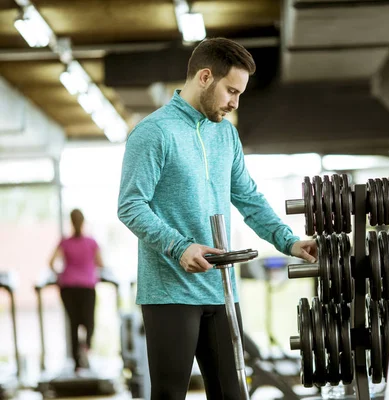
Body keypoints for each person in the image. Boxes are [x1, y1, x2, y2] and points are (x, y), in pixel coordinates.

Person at [117, 37, 317, 400]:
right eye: (231, 91)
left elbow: (248, 198)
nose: (235, 102)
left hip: (222, 289)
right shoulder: (154, 133)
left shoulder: (226, 134)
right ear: (205, 77)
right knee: (169, 394)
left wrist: (289, 240)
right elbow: (131, 205)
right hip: (169, 292)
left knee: (232, 393)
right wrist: (180, 247)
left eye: (240, 94)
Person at [49, 208, 104, 373]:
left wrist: (60, 274)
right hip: (87, 287)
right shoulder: (91, 242)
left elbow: (52, 262)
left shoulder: (65, 242)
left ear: (71, 222)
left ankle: (76, 362)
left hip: (68, 288)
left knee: (74, 323)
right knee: (89, 322)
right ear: (83, 221)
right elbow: (101, 263)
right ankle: (86, 349)